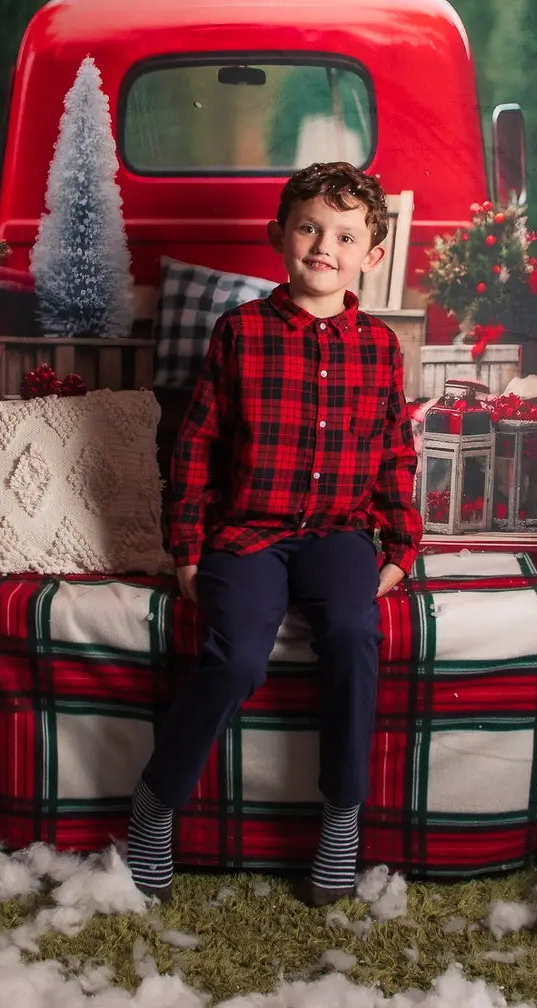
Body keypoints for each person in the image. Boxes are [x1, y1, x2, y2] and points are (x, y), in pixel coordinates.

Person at [126, 161, 422, 906]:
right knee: (235, 657)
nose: (325, 245)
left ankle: (340, 818)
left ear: (371, 256)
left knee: (355, 636)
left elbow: (393, 450)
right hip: (248, 534)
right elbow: (196, 443)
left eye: (345, 236)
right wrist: (188, 547)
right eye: (310, 228)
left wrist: (401, 546)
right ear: (279, 236)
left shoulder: (380, 349)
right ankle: (156, 806)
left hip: (340, 534)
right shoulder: (242, 333)